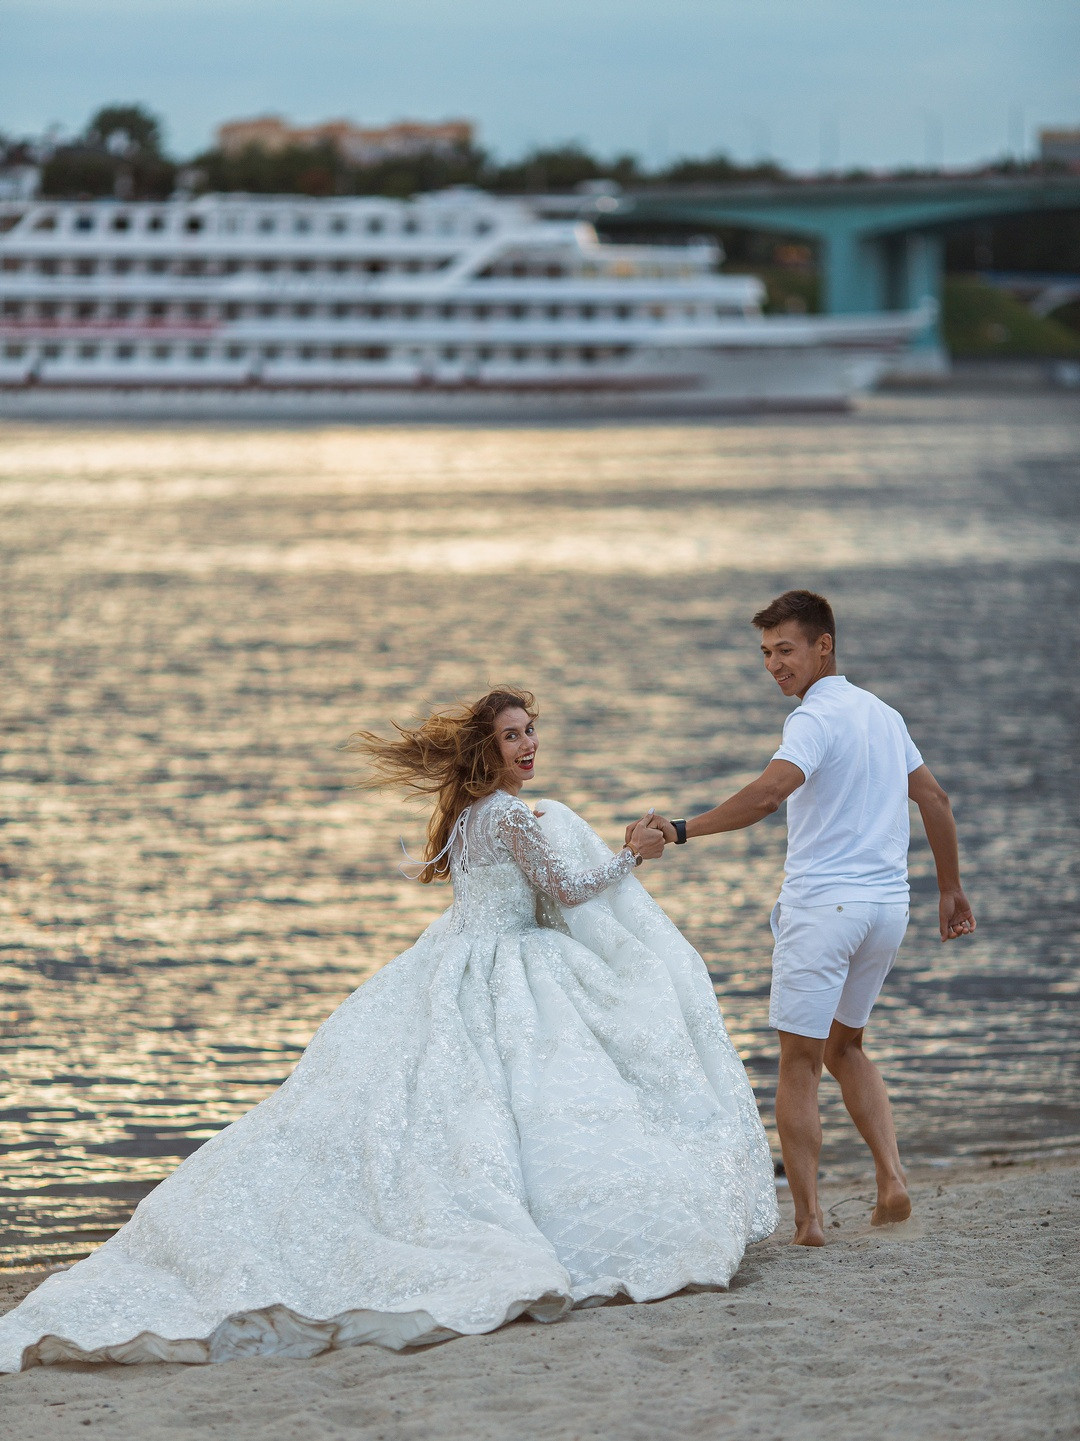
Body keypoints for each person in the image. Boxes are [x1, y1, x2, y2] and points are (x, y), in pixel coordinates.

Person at [0, 688, 778, 1372]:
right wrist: (633, 854)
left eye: (532, 730)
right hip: (510, 966)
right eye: (513, 734)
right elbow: (567, 892)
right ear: (488, 748)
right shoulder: (508, 816)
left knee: (461, 1110)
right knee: (518, 1105)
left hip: (453, 963)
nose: (529, 744)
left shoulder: (471, 816)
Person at [638, 592, 975, 1247]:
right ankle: (891, 1178)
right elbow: (933, 796)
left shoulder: (813, 719)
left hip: (824, 910)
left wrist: (680, 829)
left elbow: (769, 792)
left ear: (824, 645)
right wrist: (952, 888)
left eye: (785, 649)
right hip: (885, 910)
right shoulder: (883, 714)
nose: (774, 665)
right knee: (846, 1045)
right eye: (765, 652)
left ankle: (810, 1219)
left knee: (798, 1062)